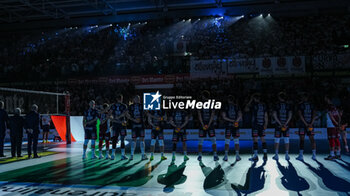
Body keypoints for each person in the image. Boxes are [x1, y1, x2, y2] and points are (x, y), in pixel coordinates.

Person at [245, 93, 268, 162]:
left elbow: (246, 109)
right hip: (262, 124)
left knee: (255, 140)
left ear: (254, 99)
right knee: (263, 139)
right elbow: (266, 115)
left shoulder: (253, 105)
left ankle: (255, 156)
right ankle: (265, 155)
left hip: (255, 125)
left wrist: (250, 100)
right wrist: (266, 124)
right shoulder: (264, 105)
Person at [197, 91, 219, 161]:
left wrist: (203, 124)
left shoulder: (200, 104)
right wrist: (209, 124)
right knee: (213, 141)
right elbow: (212, 115)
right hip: (210, 124)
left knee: (201, 141)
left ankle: (200, 156)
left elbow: (199, 115)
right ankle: (215, 155)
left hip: (203, 124)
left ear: (204, 96)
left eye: (202, 96)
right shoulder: (212, 104)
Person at [296, 93, 317, 161]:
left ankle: (301, 155)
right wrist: (311, 123)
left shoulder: (300, 105)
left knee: (302, 139)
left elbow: (300, 115)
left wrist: (306, 124)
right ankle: (314, 155)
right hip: (310, 124)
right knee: (312, 139)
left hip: (303, 124)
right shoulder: (312, 105)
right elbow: (314, 114)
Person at [221, 95, 242, 162]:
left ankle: (226, 156)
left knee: (227, 141)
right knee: (236, 141)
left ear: (229, 100)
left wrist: (232, 121)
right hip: (235, 126)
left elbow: (224, 117)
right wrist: (236, 121)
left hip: (228, 126)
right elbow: (240, 116)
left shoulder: (225, 107)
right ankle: (237, 156)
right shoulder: (237, 106)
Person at [272, 92, 293, 161]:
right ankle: (287, 155)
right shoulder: (288, 105)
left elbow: (274, 115)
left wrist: (280, 124)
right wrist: (285, 124)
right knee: (286, 140)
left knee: (277, 140)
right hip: (286, 125)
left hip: (278, 125)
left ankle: (276, 155)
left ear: (279, 97)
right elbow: (290, 115)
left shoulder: (276, 105)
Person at [127, 95, 147, 160]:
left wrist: (144, 119)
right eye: (136, 98)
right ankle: (132, 155)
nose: (137, 99)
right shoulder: (130, 106)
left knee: (142, 140)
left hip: (141, 125)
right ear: (133, 99)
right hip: (134, 125)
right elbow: (127, 114)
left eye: (138, 98)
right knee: (134, 140)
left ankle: (143, 155)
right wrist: (133, 119)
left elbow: (146, 113)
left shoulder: (142, 106)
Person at [109, 94, 128, 160]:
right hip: (115, 124)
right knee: (114, 139)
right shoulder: (113, 106)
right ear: (117, 99)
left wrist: (117, 118)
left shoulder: (124, 106)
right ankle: (113, 155)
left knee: (122, 139)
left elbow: (125, 113)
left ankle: (122, 155)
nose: (121, 100)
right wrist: (113, 119)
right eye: (120, 98)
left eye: (121, 98)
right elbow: (110, 115)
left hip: (122, 124)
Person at [324, 96, 341, 160]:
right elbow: (339, 116)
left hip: (331, 126)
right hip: (335, 125)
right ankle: (338, 154)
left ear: (328, 99)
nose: (324, 100)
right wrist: (338, 124)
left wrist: (336, 124)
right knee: (336, 139)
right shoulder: (335, 107)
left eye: (325, 98)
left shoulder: (328, 107)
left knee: (331, 140)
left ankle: (332, 155)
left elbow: (331, 116)